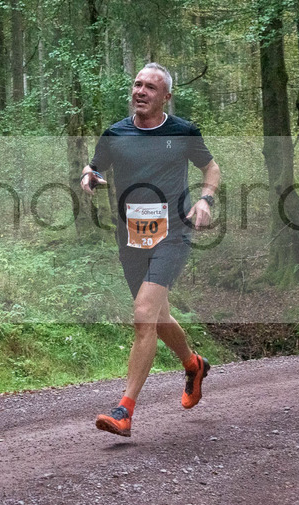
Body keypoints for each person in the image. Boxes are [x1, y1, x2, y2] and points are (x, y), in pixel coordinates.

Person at [80, 62, 221, 437]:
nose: (140, 92)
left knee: (143, 314)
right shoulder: (115, 133)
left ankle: (124, 410)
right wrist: (89, 176)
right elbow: (94, 166)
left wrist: (205, 200)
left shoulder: (182, 131)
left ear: (166, 98)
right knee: (158, 318)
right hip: (131, 238)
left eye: (151, 88)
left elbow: (212, 169)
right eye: (137, 85)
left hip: (173, 232)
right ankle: (193, 364)